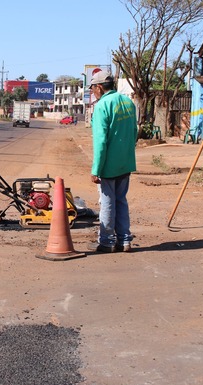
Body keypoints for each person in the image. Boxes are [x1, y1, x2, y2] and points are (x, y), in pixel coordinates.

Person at [89, 71, 138, 253]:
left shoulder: (102, 106)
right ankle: (124, 240)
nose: (93, 92)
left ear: (99, 87)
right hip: (126, 162)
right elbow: (134, 132)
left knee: (107, 202)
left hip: (108, 165)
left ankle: (107, 242)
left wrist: (96, 169)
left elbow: (101, 141)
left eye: (93, 88)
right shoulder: (128, 102)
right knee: (121, 200)